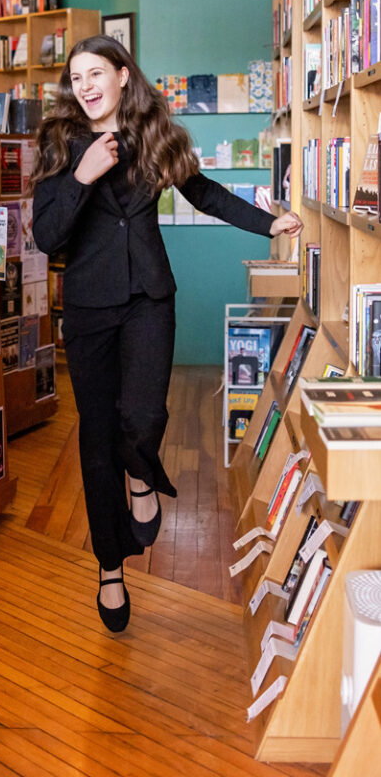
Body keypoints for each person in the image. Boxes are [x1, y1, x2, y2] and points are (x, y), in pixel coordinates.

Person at [28, 35, 303, 633]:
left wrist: (271, 224)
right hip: (90, 308)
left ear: (124, 75)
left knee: (145, 416)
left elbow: (203, 193)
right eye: (76, 78)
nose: (86, 86)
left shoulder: (156, 131)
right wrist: (81, 176)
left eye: (96, 73)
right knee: (96, 439)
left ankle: (141, 473)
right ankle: (109, 567)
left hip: (150, 297)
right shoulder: (56, 142)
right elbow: (46, 236)